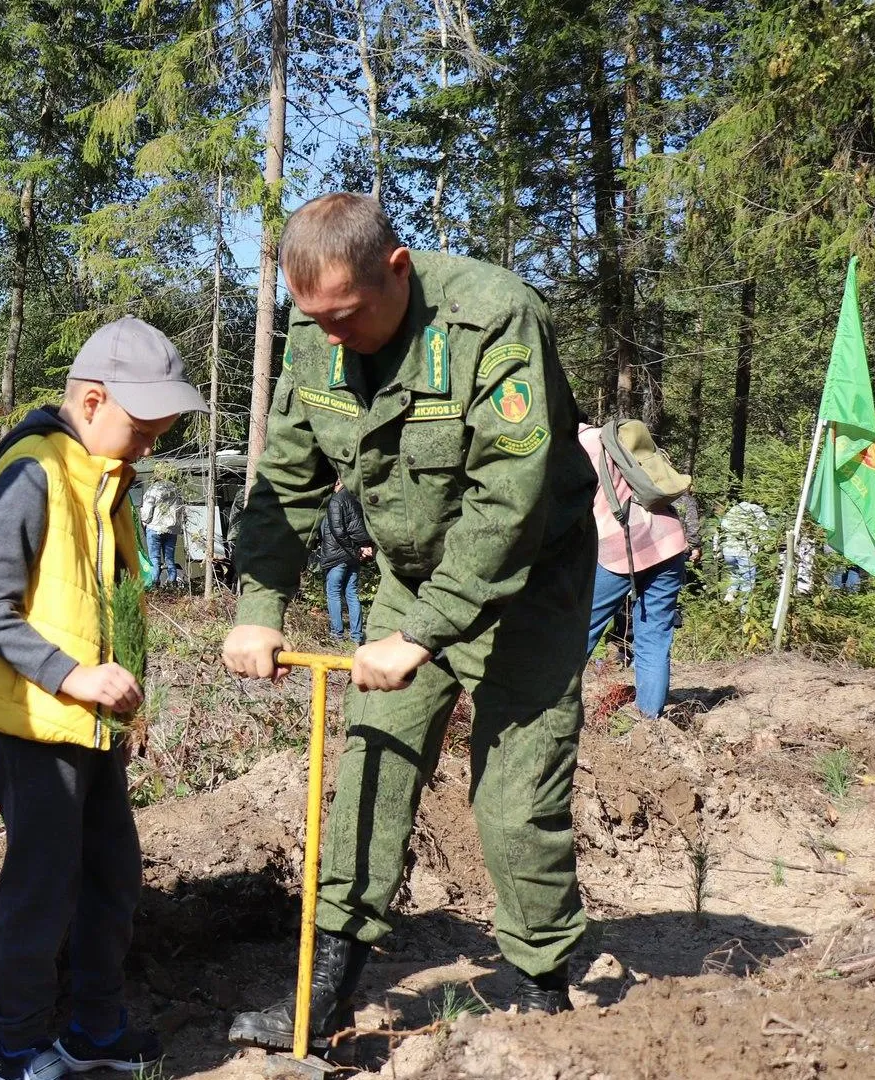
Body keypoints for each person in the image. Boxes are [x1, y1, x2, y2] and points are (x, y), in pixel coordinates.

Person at [220, 193, 598, 1049]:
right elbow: (285, 479)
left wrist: (422, 635)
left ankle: (541, 993)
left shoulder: (492, 319)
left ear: (397, 269)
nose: (331, 336)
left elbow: (511, 499)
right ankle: (326, 989)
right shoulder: (319, 337)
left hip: (527, 582)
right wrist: (258, 604)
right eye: (313, 319)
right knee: (373, 768)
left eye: (345, 315)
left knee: (513, 796)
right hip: (407, 575)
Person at [0, 317, 206, 1080]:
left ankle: (95, 1029)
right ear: (93, 400)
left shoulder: (108, 481)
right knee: (41, 884)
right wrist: (75, 677)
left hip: (95, 730)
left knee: (113, 873)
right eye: (143, 428)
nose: (149, 446)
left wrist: (119, 699)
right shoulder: (35, 472)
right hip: (38, 726)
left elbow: (107, 604)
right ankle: (16, 1048)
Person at [580, 422, 689, 719]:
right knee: (655, 634)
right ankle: (649, 722)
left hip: (620, 546)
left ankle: (553, 709)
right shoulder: (617, 436)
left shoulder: (578, 445)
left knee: (581, 628)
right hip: (668, 540)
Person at [313, 480, 373, 644]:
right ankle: (356, 636)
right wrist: (360, 549)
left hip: (337, 556)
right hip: (353, 556)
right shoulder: (356, 498)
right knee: (352, 594)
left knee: (333, 593)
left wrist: (353, 550)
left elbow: (338, 531)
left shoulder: (336, 500)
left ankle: (337, 634)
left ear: (337, 482)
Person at [719, 500, 771, 600]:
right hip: (746, 551)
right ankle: (744, 609)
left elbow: (722, 528)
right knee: (748, 581)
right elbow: (764, 531)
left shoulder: (732, 511)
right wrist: (765, 546)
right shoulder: (757, 511)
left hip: (728, 551)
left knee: (735, 574)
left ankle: (729, 597)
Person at [139, 476, 185, 588]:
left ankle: (154, 585)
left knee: (154, 559)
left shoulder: (153, 489)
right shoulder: (177, 489)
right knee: (170, 559)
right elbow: (181, 510)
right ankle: (172, 584)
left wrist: (145, 521)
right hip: (171, 529)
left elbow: (147, 511)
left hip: (154, 528)